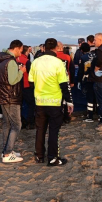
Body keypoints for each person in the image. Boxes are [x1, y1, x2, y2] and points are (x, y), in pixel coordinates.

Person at [29, 38, 73, 166]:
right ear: (55, 48)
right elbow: (64, 84)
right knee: (54, 130)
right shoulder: (58, 63)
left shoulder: (36, 62)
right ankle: (53, 158)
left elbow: (31, 81)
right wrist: (69, 102)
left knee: (40, 129)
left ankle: (39, 155)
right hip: (54, 102)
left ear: (44, 48)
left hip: (40, 101)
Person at [0, 40, 26, 163]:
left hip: (1, 96)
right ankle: (8, 153)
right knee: (16, 125)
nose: (21, 52)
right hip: (10, 97)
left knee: (7, 124)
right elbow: (13, 80)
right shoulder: (11, 61)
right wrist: (21, 71)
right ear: (16, 48)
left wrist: (1, 83)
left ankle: (6, 150)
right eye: (21, 50)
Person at [56, 41, 75, 123]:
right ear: (61, 48)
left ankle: (58, 116)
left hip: (55, 81)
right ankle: (67, 117)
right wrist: (72, 81)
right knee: (67, 99)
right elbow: (72, 69)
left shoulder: (53, 57)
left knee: (58, 99)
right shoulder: (67, 57)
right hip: (66, 80)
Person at [77, 42, 96, 122]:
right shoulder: (95, 55)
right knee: (97, 97)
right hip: (96, 78)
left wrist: (78, 80)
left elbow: (81, 71)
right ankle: (99, 114)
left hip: (88, 79)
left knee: (90, 98)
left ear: (82, 50)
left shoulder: (83, 58)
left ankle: (90, 116)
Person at [17, 45, 35, 129]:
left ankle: (21, 121)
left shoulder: (14, 60)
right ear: (26, 52)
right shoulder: (27, 61)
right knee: (31, 104)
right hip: (26, 85)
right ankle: (30, 122)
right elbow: (31, 74)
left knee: (19, 105)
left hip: (16, 86)